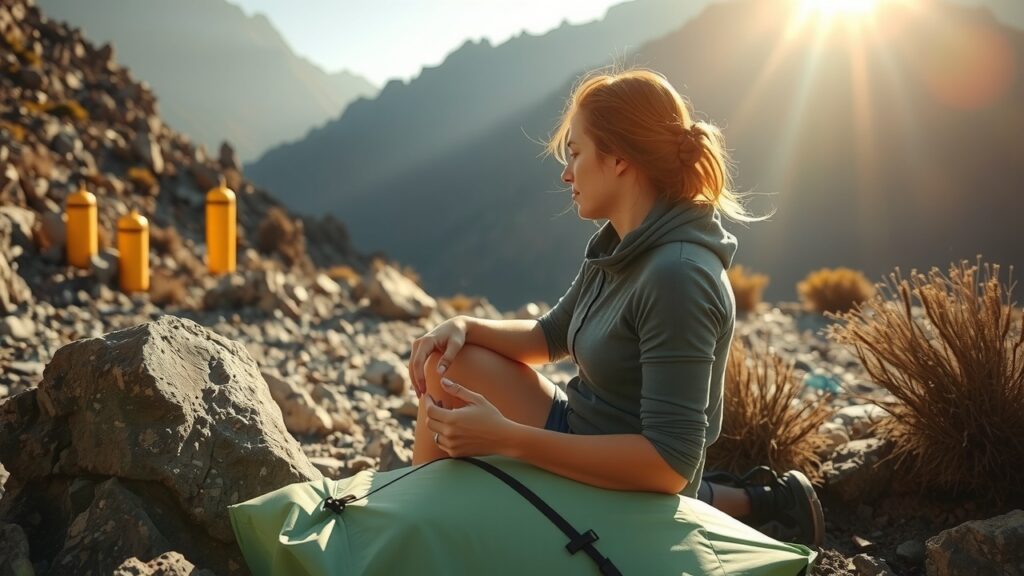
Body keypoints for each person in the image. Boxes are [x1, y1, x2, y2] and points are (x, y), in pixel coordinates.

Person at [406, 67, 824, 548]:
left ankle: (417, 534)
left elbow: (670, 466)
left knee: (466, 482)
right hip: (581, 431)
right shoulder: (620, 244)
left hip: (634, 488)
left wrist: (505, 439)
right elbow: (549, 336)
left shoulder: (678, 277)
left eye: (576, 153)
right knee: (448, 363)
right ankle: (421, 520)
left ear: (620, 158)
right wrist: (462, 326)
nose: (566, 173)